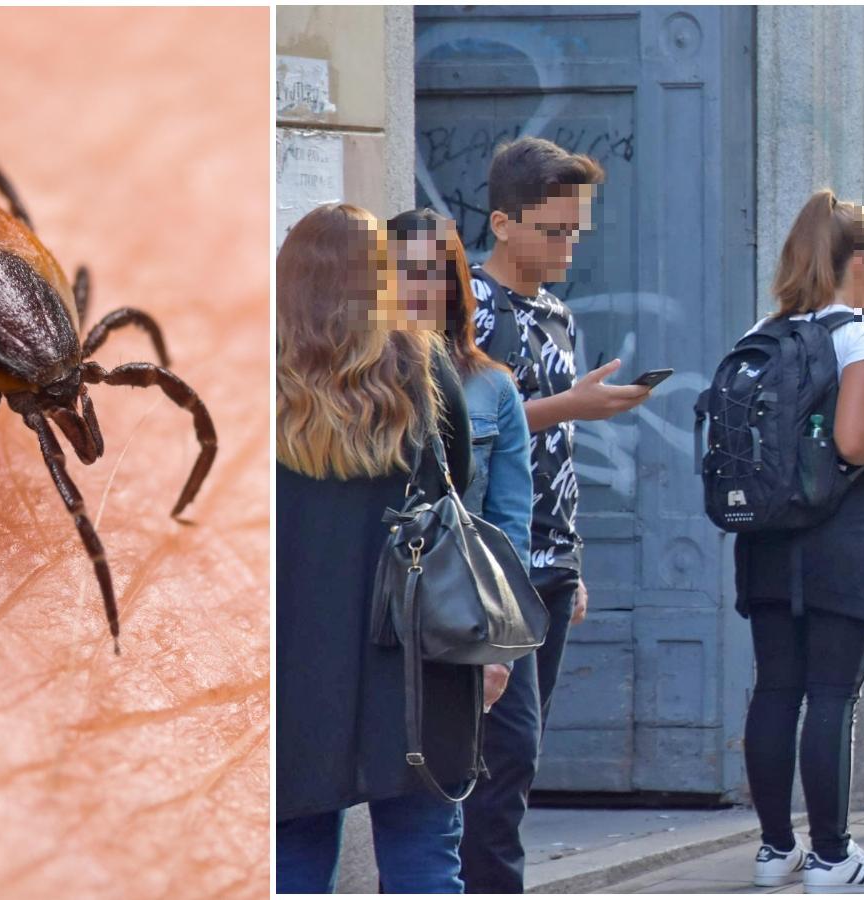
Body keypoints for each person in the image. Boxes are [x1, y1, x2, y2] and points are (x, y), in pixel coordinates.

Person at [275, 203, 498, 893]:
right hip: (411, 648)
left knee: (293, 852)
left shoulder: (258, 376)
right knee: (424, 854)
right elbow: (457, 485)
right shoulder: (422, 363)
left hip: (292, 654)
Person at [460, 137, 652, 893]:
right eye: (553, 230)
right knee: (503, 757)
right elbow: (462, 437)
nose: (568, 246)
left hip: (547, 565)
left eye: (576, 232)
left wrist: (573, 561)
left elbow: (560, 457)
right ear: (503, 223)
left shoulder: (559, 315)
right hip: (487, 567)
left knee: (514, 755)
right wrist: (569, 405)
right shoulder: (468, 309)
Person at [738, 189, 864, 893]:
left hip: (769, 537)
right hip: (844, 537)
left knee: (776, 688)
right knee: (832, 694)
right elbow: (852, 438)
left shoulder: (761, 332)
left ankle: (776, 849)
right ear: (861, 263)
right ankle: (835, 857)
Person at [388, 206, 533, 763]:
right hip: (382, 619)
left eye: (435, 274)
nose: (419, 289)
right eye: (404, 273)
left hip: (461, 618)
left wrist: (497, 646)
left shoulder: (491, 389)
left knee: (506, 759)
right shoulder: (358, 390)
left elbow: (508, 527)